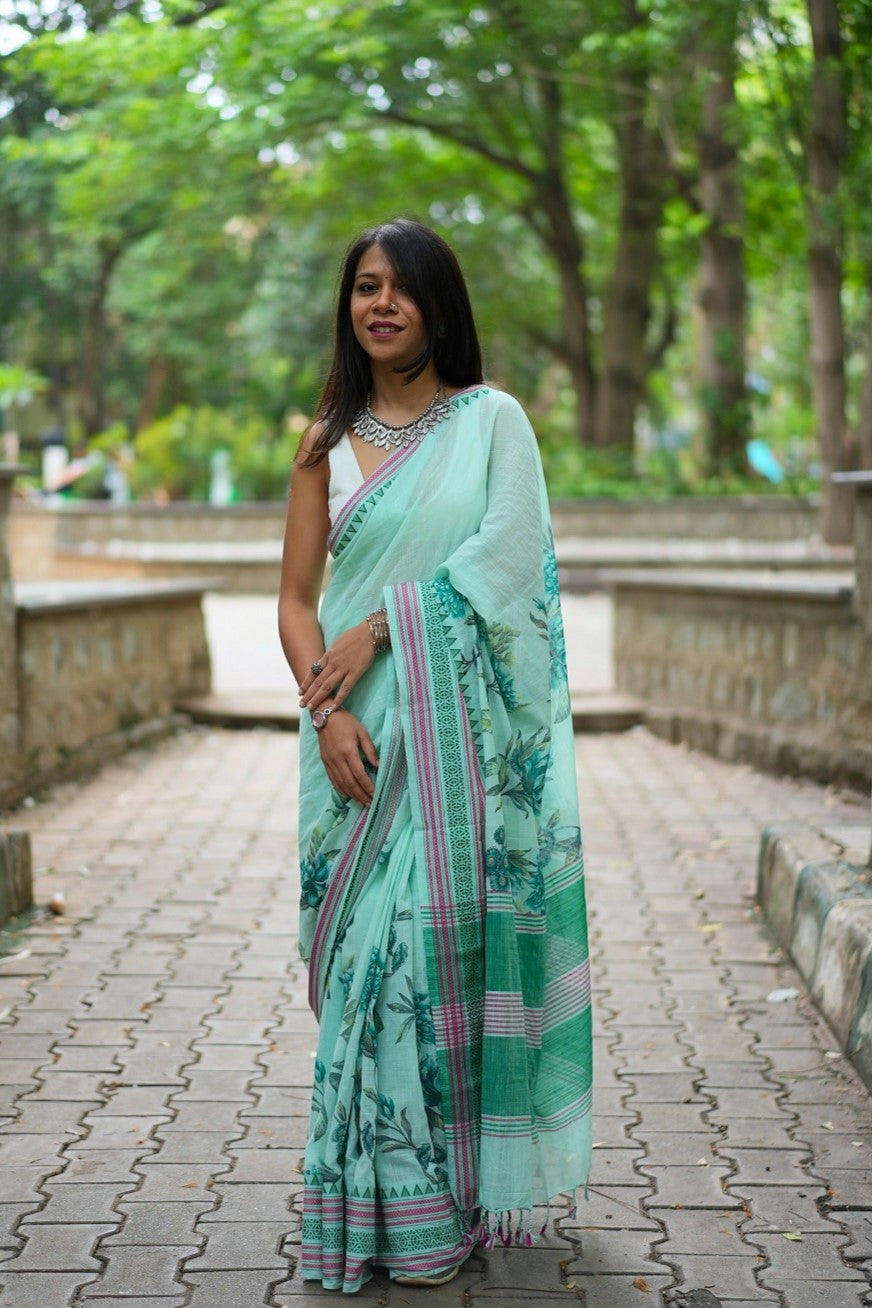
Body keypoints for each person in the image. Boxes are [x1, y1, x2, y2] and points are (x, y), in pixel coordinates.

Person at [278, 218, 592, 1294]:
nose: (379, 305)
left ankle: (430, 1208)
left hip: (451, 739)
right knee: (361, 976)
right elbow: (290, 599)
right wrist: (327, 716)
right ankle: (364, 1208)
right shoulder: (324, 439)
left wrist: (381, 628)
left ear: (436, 305)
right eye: (363, 286)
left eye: (399, 289)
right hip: (355, 743)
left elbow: (509, 559)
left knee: (420, 964)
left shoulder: (492, 421)